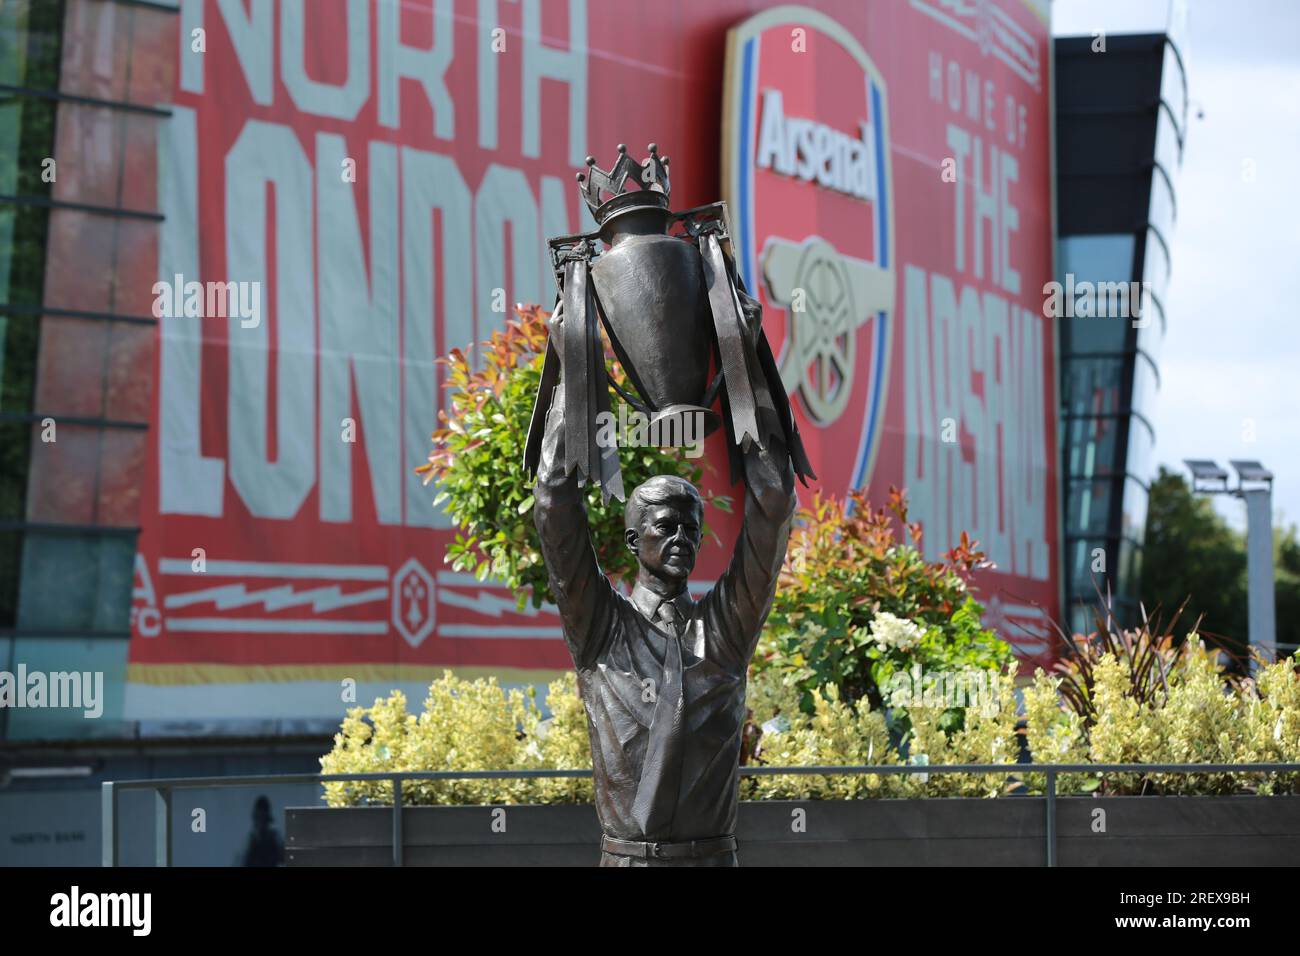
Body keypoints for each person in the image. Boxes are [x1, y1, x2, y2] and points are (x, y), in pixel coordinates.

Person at [533, 362, 796, 866]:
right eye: (667, 526)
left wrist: (743, 364)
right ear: (634, 540)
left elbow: (775, 505)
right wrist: (575, 359)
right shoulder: (601, 629)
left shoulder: (723, 633)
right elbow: (553, 504)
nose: (682, 538)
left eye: (692, 529)